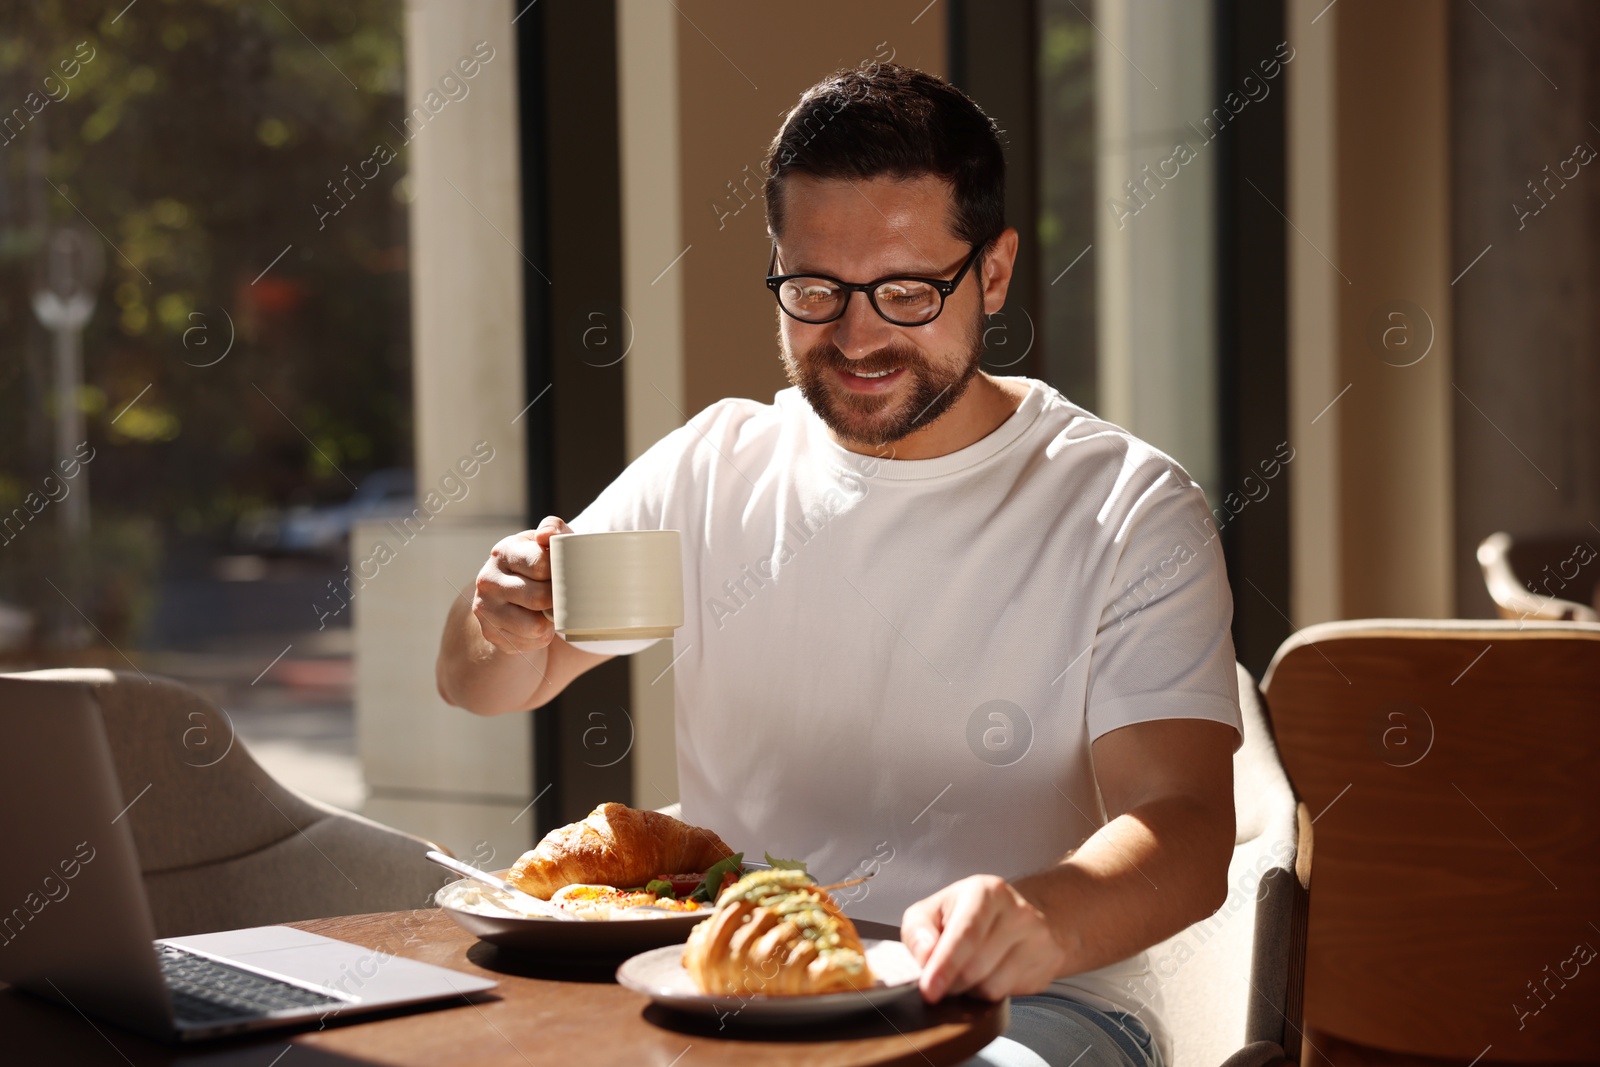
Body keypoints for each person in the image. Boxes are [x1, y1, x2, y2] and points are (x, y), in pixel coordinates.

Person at [436, 63, 1240, 1067]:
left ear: (991, 273)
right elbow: (487, 682)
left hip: (1026, 1007)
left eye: (905, 290)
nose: (857, 336)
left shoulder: (1123, 505)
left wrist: (1039, 913)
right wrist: (501, 615)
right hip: (734, 992)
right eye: (815, 290)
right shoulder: (715, 466)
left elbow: (1189, 825)